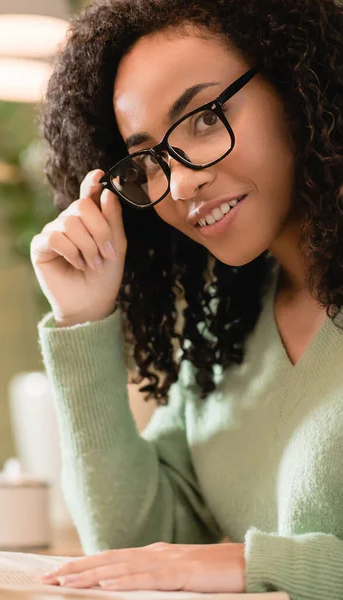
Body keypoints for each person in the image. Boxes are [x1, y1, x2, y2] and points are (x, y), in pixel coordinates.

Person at [30, 0, 343, 598]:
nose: (180, 182)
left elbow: (217, 566)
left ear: (299, 85)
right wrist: (83, 318)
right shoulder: (223, 333)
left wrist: (256, 568)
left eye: (204, 117)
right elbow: (132, 546)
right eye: (149, 158)